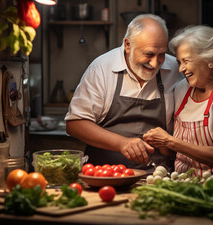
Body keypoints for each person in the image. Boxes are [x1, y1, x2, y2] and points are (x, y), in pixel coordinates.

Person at [64, 14, 183, 171]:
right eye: (149, 54)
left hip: (158, 175)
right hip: (106, 173)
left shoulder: (175, 69)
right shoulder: (102, 68)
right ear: (128, 45)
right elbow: (75, 124)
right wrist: (121, 143)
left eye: (161, 54)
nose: (155, 63)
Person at [143, 25, 213, 178]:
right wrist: (161, 142)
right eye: (179, 62)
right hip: (184, 182)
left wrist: (169, 141)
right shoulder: (182, 89)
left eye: (186, 61)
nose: (181, 69)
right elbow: (178, 151)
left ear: (209, 59)